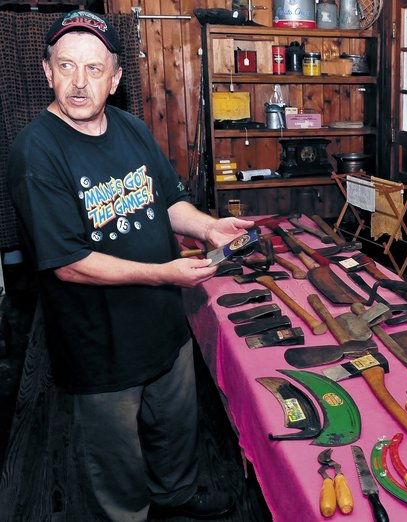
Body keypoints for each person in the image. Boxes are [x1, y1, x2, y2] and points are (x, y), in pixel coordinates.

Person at [8, 10, 253, 521]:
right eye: (67, 66)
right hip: (100, 344)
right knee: (115, 463)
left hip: (163, 325)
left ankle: (178, 495)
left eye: (94, 69)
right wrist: (165, 272)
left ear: (116, 78)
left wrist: (207, 227)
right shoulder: (36, 151)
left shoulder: (132, 128)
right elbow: (69, 263)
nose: (79, 83)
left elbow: (166, 203)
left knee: (175, 429)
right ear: (47, 71)